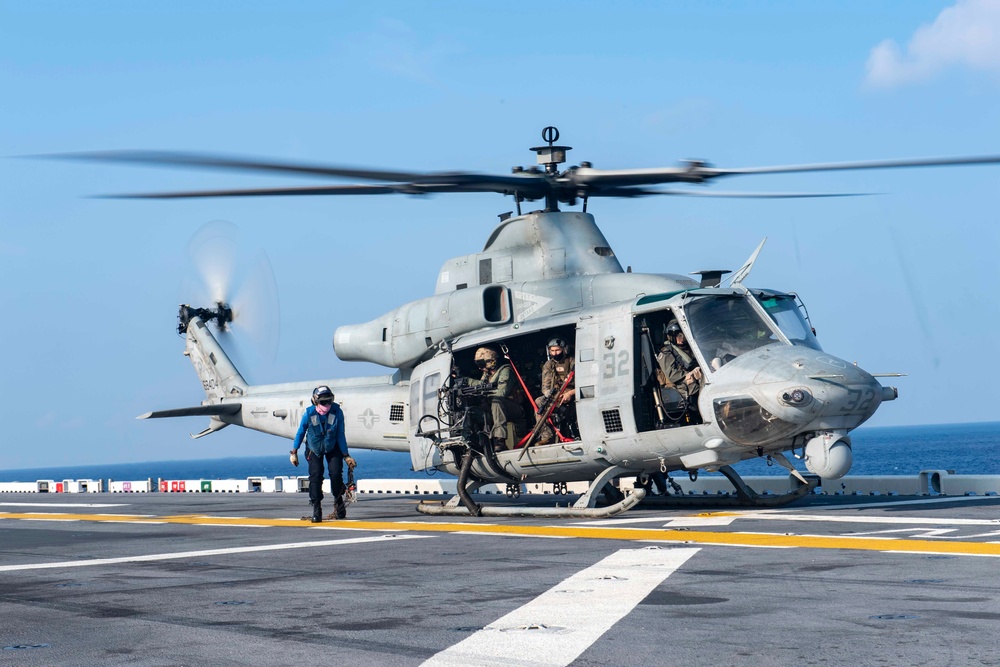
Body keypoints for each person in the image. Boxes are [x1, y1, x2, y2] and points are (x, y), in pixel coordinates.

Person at [290, 385, 356, 522]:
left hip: (332, 446)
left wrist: (346, 455)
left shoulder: (337, 412)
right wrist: (294, 451)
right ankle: (316, 507)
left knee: (336, 473)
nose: (327, 404)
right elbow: (301, 432)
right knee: (315, 476)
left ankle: (339, 503)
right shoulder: (309, 413)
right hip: (314, 448)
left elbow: (340, 434)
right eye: (323, 402)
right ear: (315, 401)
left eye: (329, 401)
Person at [467, 347, 525, 452]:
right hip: (496, 408)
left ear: (491, 362)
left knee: (496, 401)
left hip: (513, 408)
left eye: (481, 364)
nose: (480, 368)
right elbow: (481, 385)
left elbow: (502, 393)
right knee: (472, 411)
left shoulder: (505, 371)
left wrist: (485, 394)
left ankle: (500, 440)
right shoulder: (487, 375)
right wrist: (468, 382)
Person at [656, 322, 703, 423]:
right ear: (671, 337)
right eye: (678, 336)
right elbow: (672, 375)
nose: (681, 339)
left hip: (697, 383)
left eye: (683, 335)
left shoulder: (691, 349)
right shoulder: (666, 353)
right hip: (682, 388)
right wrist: (691, 375)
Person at [534, 337, 577, 444]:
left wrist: (570, 393)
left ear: (564, 349)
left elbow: (584, 383)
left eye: (557, 350)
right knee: (539, 402)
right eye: (552, 351)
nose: (555, 353)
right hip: (555, 396)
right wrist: (552, 396)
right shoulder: (549, 365)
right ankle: (547, 436)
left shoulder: (573, 362)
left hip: (572, 394)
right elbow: (545, 386)